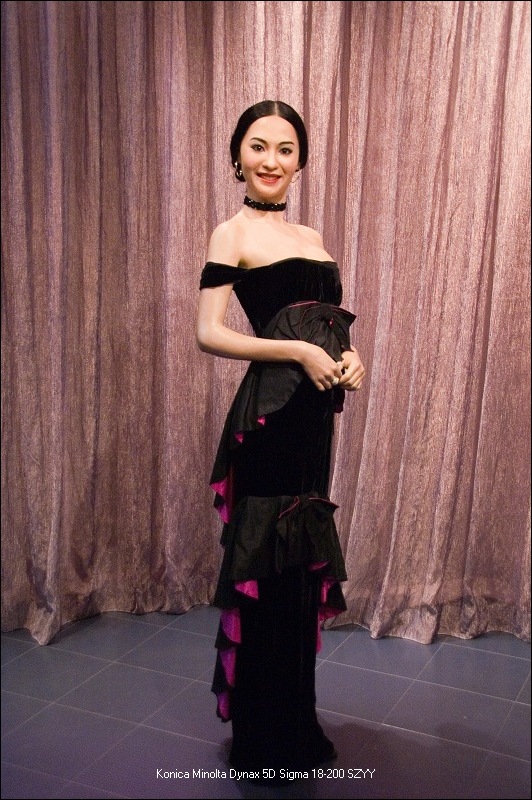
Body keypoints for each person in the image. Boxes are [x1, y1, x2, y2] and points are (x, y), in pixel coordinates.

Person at [196, 100, 365, 781]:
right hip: (268, 420)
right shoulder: (230, 233)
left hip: (314, 422)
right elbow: (208, 332)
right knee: (266, 567)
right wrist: (295, 351)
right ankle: (262, 739)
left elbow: (329, 325)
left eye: (286, 149)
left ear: (301, 162)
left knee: (298, 568)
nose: (272, 160)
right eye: (259, 147)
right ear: (238, 156)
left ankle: (297, 722)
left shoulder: (312, 235)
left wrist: (352, 358)